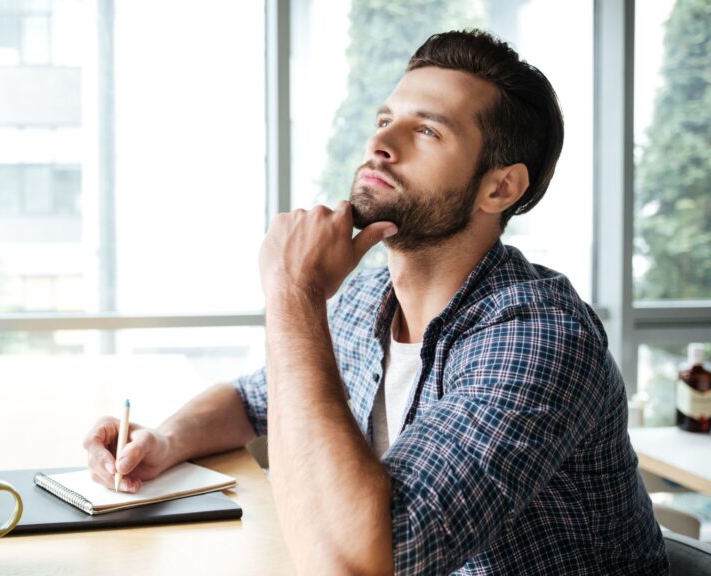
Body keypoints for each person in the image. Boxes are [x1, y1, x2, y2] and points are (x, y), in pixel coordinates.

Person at [82, 29, 669, 575]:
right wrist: (165, 441)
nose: (380, 143)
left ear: (500, 188)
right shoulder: (368, 293)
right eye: (386, 119)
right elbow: (255, 399)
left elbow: (359, 561)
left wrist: (294, 296)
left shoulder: (538, 336)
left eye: (427, 131)